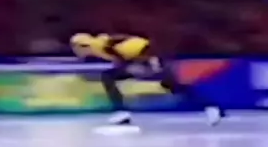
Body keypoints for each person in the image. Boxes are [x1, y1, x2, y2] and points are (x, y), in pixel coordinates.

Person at [69, 33, 223, 126]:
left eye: (75, 48)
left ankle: (211, 107)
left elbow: (141, 46)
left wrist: (150, 62)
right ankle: (122, 112)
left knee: (171, 85)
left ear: (83, 45)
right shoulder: (98, 48)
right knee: (108, 77)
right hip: (138, 61)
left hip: (149, 58)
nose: (75, 52)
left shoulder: (105, 45)